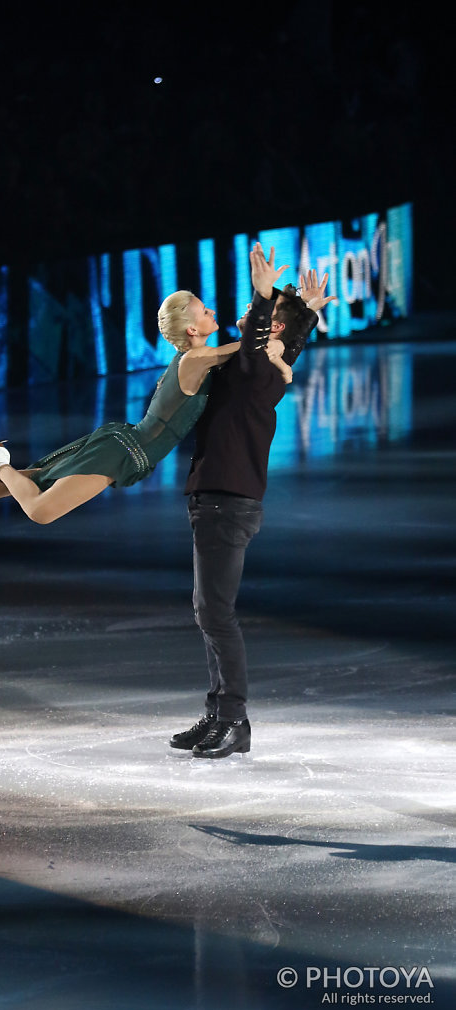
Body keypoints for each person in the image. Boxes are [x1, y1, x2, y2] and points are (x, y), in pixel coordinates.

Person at [0, 292, 293, 535]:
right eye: (204, 310)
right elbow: (245, 349)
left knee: (38, 480)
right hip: (123, 452)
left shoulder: (194, 359)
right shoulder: (195, 359)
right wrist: (279, 344)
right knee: (41, 509)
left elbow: (245, 359)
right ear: (193, 329)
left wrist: (279, 356)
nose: (212, 311)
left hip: (123, 444)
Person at [169, 243, 334, 760]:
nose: (243, 321)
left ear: (270, 331)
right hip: (221, 501)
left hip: (226, 503)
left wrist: (269, 301)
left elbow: (260, 340)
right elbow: (273, 344)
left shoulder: (257, 367)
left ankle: (233, 719)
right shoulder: (263, 369)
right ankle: (219, 712)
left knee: (216, 613)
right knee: (208, 611)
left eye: (253, 319)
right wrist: (302, 311)